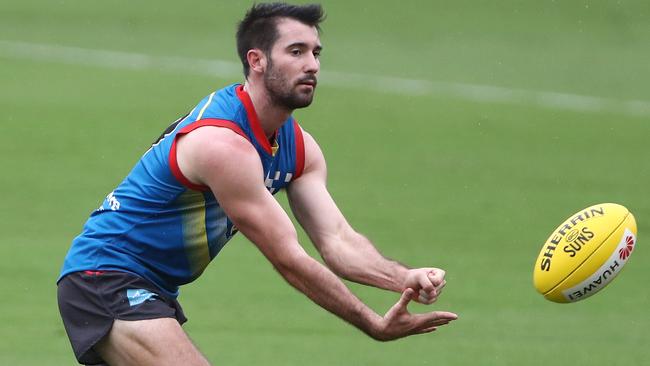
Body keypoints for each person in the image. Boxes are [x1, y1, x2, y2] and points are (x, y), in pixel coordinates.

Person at [57, 2, 458, 365]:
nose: (313, 65)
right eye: (296, 51)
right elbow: (290, 259)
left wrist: (401, 278)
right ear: (257, 60)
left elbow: (337, 240)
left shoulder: (297, 147)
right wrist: (372, 323)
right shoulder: (222, 144)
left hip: (150, 286)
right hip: (104, 278)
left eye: (316, 53)